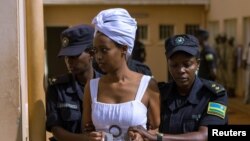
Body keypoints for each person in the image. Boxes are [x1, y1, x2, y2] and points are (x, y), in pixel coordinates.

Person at [129, 34, 228, 141]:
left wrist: (158, 138)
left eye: (187, 64)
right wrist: (137, 134)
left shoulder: (214, 95)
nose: (180, 70)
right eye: (174, 65)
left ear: (197, 64)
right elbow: (147, 126)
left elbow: (204, 135)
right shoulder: (159, 94)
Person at [82, 8, 160, 141]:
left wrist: (142, 136)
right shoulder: (92, 87)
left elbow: (155, 129)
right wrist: (91, 137)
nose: (98, 57)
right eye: (95, 50)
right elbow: (86, 129)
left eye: (104, 50)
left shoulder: (148, 85)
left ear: (123, 49)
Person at [46, 24, 101, 141]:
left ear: (91, 53)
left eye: (74, 56)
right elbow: (56, 129)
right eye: (66, 56)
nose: (69, 61)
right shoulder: (57, 88)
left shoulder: (106, 85)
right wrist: (84, 139)